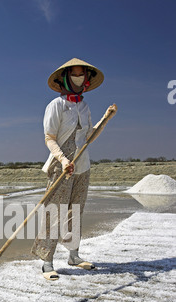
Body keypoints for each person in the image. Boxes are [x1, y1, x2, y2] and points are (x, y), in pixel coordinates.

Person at [31, 57, 117, 280]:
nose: (78, 78)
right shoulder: (56, 105)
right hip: (61, 167)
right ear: (66, 79)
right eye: (74, 75)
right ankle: (47, 262)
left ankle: (74, 256)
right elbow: (49, 137)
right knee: (54, 213)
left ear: (86, 79)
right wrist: (62, 160)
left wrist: (106, 119)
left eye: (81, 75)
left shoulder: (84, 106)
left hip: (82, 166)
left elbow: (88, 138)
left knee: (75, 212)